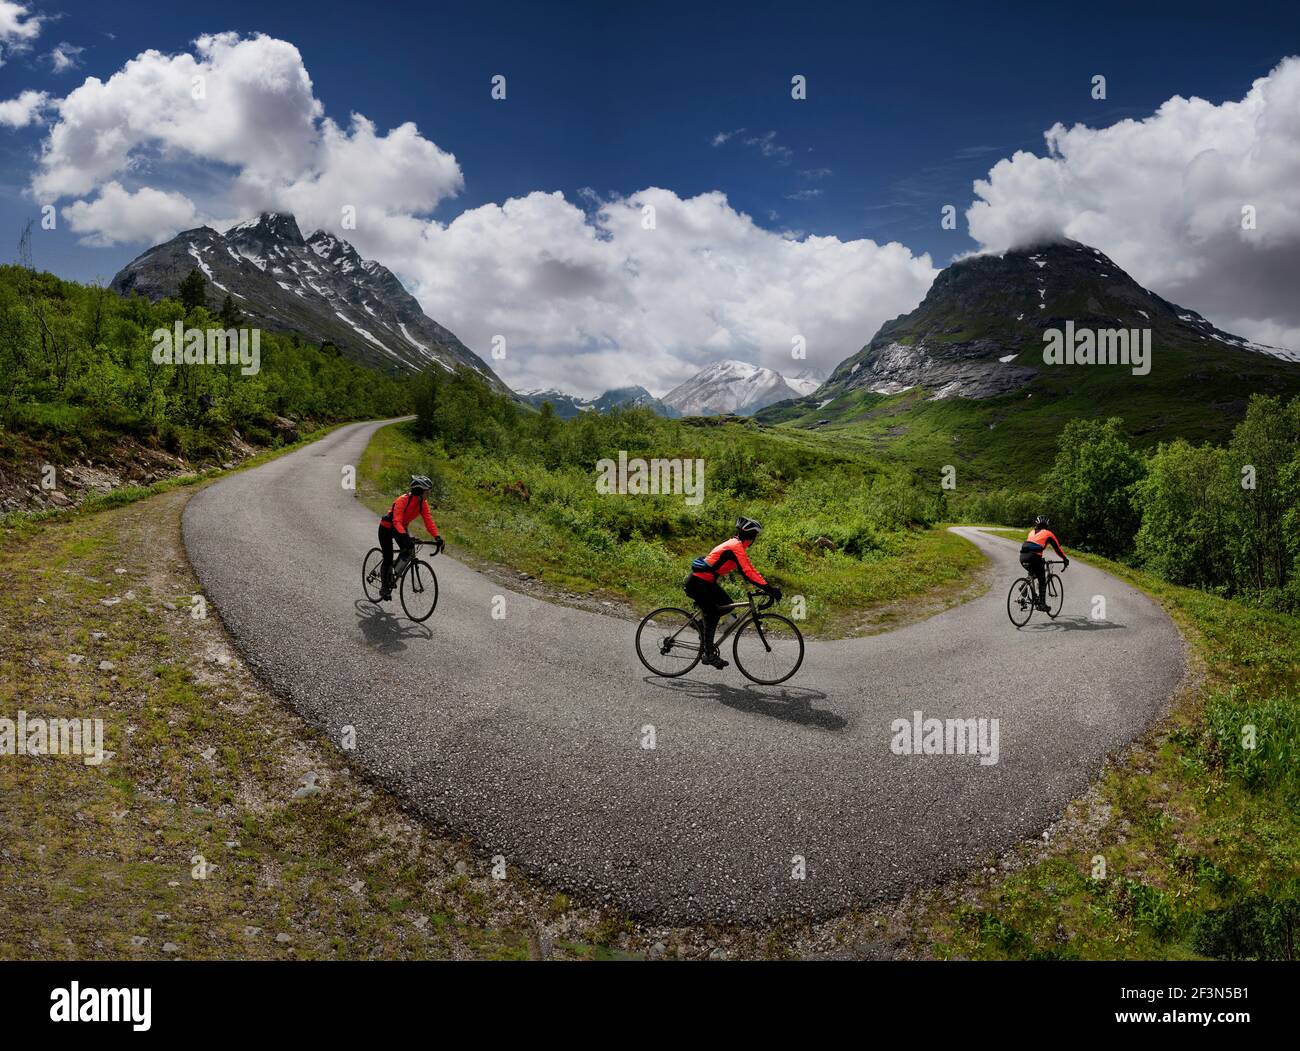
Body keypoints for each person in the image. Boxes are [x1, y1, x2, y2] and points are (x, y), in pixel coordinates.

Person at [685, 516, 781, 668]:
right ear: (750, 536)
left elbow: (749, 569)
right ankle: (709, 654)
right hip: (699, 583)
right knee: (714, 612)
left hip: (705, 582)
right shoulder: (735, 547)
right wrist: (769, 589)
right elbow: (747, 572)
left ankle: (700, 626)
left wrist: (766, 587)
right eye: (754, 536)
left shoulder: (736, 545)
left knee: (727, 605)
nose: (754, 539)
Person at [378, 475, 444, 601]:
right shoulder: (402, 500)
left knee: (408, 550)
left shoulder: (422, 504)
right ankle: (384, 587)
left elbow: (428, 521)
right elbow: (396, 521)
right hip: (387, 528)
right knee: (388, 556)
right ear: (420, 491)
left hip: (400, 528)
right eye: (427, 492)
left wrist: (437, 537)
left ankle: (393, 574)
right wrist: (405, 537)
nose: (428, 494)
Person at [1020, 515, 1068, 611]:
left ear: (1036, 524)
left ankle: (1024, 587)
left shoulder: (1031, 532)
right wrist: (1065, 559)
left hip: (1022, 556)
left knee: (1033, 573)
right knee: (1042, 580)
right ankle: (1042, 604)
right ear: (1047, 525)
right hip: (1034, 557)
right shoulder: (1048, 533)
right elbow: (1057, 548)